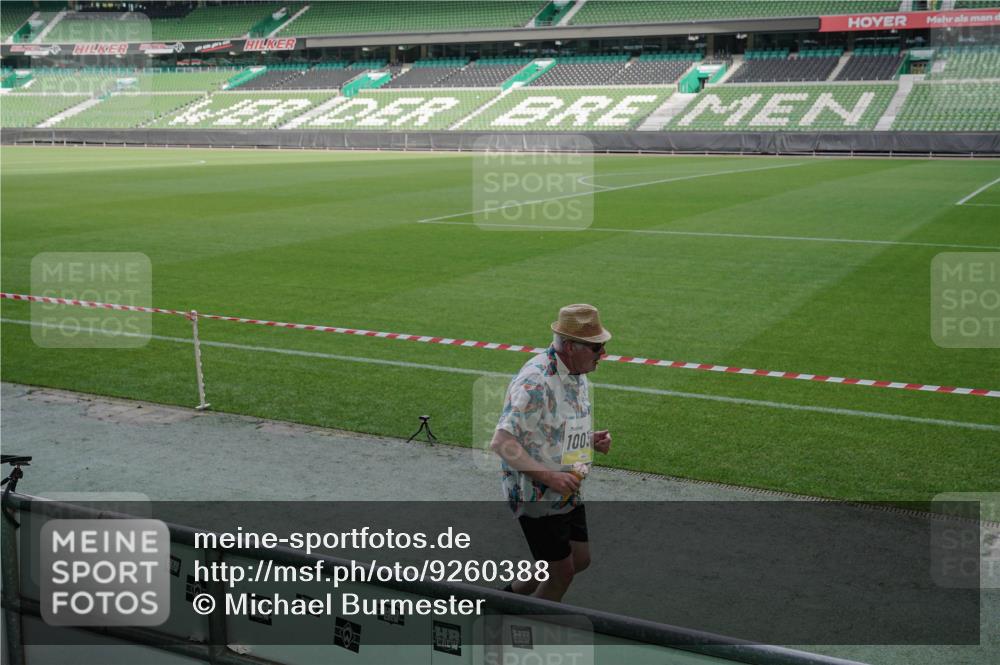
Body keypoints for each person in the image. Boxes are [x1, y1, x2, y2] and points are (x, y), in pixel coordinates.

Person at [490, 304, 613, 602]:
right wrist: (550, 478)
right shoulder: (536, 382)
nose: (603, 355)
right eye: (597, 348)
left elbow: (553, 426)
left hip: (565, 487)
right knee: (562, 572)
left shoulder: (576, 371)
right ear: (571, 347)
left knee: (579, 559)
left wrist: (587, 440)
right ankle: (526, 634)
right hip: (538, 493)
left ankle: (502, 601)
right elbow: (502, 441)